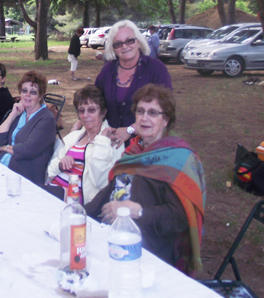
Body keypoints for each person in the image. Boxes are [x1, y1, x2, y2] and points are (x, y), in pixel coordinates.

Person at [85, 84, 206, 276]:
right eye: (140, 111)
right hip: (110, 232)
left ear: (165, 119)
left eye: (153, 113)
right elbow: (111, 191)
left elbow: (180, 218)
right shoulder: (133, 151)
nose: (144, 118)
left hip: (147, 248)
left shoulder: (178, 159)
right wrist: (81, 215)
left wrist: (136, 211)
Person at [88, 20, 172, 148]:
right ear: (113, 48)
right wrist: (82, 121)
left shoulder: (156, 69)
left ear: (138, 41)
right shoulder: (107, 70)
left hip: (146, 145)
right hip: (111, 145)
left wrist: (130, 130)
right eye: (118, 43)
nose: (124, 46)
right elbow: (94, 101)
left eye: (129, 40)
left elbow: (166, 110)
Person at [45, 85, 124, 204]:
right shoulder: (73, 137)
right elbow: (50, 171)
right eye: (82, 111)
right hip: (55, 188)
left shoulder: (113, 141)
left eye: (91, 110)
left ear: (103, 112)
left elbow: (102, 182)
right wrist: (61, 165)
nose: (85, 115)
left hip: (78, 200)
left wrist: (102, 140)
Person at [0, 70, 56, 185]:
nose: (27, 95)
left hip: (24, 173)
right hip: (4, 165)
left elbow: (26, 150)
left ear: (41, 95)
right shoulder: (21, 113)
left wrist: (4, 148)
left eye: (33, 92)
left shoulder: (46, 119)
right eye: (24, 90)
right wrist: (12, 115)